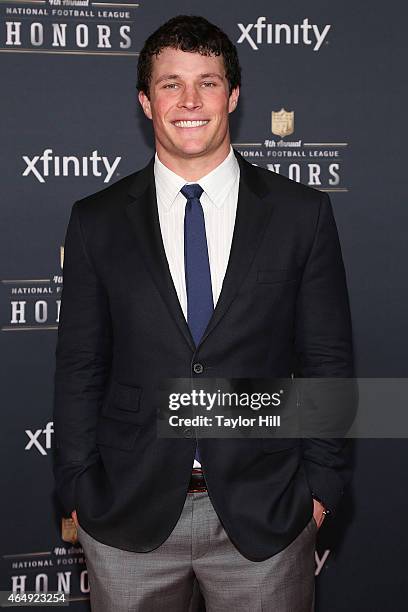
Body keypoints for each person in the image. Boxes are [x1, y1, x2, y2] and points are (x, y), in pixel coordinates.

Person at [53, 14, 354, 612]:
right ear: (146, 100)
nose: (189, 101)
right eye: (170, 83)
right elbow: (81, 366)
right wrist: (78, 487)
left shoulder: (302, 214)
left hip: (265, 516)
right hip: (127, 517)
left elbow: (327, 360)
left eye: (207, 81)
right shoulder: (96, 220)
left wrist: (318, 490)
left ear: (233, 96)